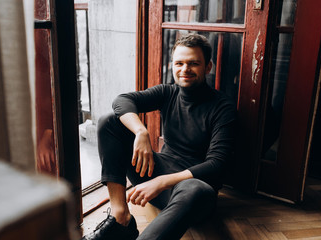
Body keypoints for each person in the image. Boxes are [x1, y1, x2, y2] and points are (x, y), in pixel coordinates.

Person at [82, 33, 237, 240]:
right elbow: (122, 101)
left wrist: (162, 182)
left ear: (208, 67)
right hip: (153, 175)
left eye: (193, 63)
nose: (184, 70)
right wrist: (141, 131)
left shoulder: (223, 108)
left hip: (191, 192)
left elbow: (217, 165)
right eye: (179, 63)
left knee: (196, 189)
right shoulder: (168, 92)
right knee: (109, 122)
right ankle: (121, 219)